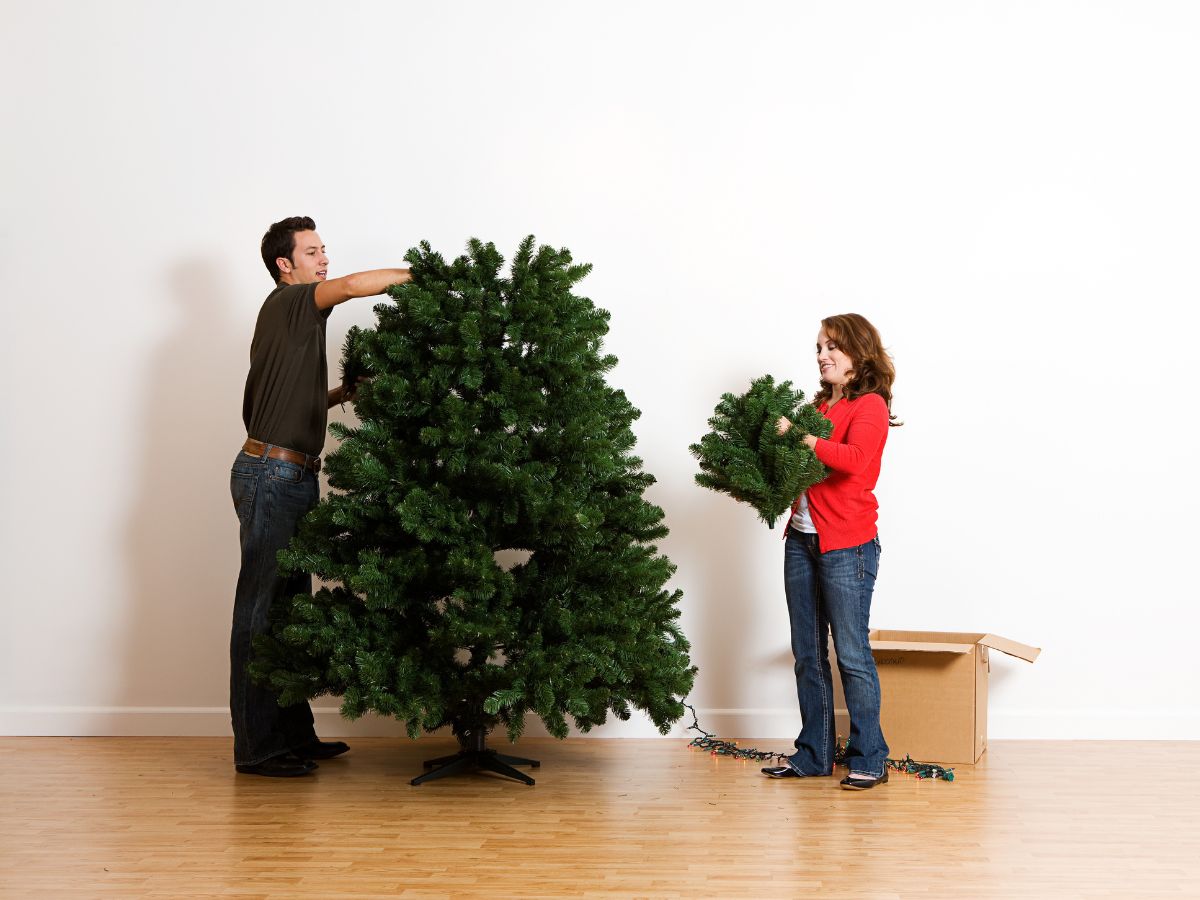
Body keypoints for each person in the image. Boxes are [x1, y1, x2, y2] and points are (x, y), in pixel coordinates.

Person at [230, 215, 411, 777]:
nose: (323, 260)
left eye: (323, 250)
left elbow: (277, 402)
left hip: (289, 474)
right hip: (271, 477)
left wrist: (338, 395)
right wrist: (426, 274)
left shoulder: (294, 320)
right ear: (286, 266)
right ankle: (257, 749)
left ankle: (292, 737)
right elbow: (357, 285)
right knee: (261, 615)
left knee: (288, 612)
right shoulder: (291, 301)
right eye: (312, 252)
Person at [761, 313, 900, 790]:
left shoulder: (870, 406)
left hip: (847, 544)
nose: (822, 355)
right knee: (807, 653)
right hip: (801, 539)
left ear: (858, 353)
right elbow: (805, 465)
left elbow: (857, 463)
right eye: (818, 347)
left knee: (852, 654)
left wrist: (801, 438)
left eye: (832, 347)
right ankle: (814, 754)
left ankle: (869, 757)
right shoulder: (822, 405)